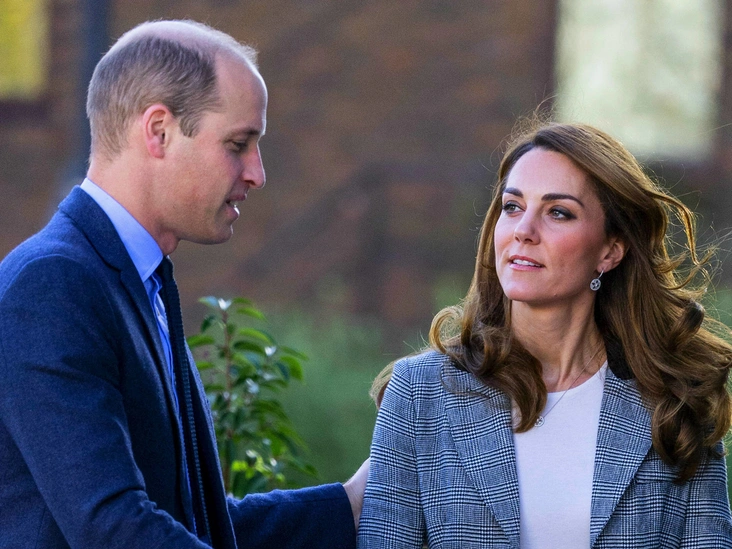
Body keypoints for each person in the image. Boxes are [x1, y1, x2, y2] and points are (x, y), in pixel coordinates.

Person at [0, 19, 367, 549]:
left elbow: (195, 526)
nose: (257, 173)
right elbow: (114, 528)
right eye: (238, 144)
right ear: (159, 131)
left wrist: (352, 504)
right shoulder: (52, 285)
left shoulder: (136, 281)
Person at [358, 121, 732, 548]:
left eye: (558, 212)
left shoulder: (674, 398)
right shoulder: (419, 393)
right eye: (512, 206)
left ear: (610, 251)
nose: (524, 230)